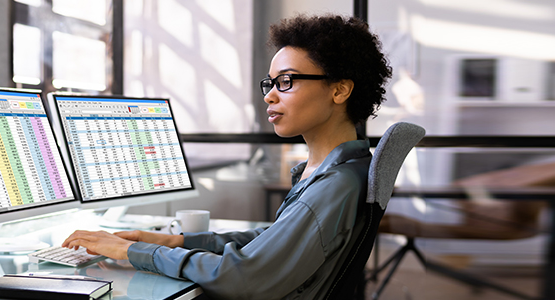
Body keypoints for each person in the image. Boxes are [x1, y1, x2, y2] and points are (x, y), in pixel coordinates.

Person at [62, 14, 392, 299]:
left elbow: (244, 277)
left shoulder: (333, 186)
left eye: (287, 81)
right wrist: (174, 240)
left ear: (339, 90)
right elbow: (271, 242)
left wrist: (134, 252)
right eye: (271, 83)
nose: (270, 96)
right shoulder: (339, 170)